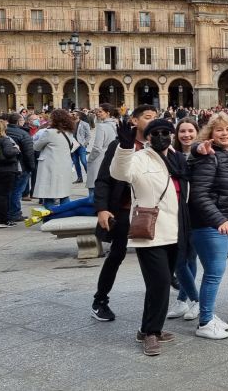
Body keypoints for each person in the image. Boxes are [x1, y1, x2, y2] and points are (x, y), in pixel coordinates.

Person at [109, 118, 188, 356]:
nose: (162, 136)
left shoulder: (178, 158)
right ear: (149, 136)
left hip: (175, 230)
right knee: (161, 283)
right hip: (150, 232)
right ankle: (152, 333)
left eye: (166, 132)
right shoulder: (139, 158)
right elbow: (119, 173)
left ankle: (146, 329)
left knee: (158, 285)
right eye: (156, 133)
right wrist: (124, 147)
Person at [91, 105, 160, 322]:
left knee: (156, 259)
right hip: (124, 211)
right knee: (116, 255)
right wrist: (102, 209)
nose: (152, 121)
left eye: (155, 118)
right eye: (148, 117)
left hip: (150, 212)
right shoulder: (119, 145)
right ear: (135, 120)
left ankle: (166, 298)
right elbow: (103, 179)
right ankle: (100, 300)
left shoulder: (160, 145)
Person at [188, 112, 228, 339]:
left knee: (215, 271)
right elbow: (200, 195)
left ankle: (208, 314)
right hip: (210, 224)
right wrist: (220, 220)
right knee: (214, 272)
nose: (225, 133)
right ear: (210, 133)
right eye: (219, 129)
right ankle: (204, 322)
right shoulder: (208, 156)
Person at [167, 117, 202, 321]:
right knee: (178, 260)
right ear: (176, 134)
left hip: (197, 213)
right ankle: (195, 300)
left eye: (190, 131)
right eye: (182, 131)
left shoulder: (203, 154)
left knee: (190, 257)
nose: (187, 135)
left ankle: (182, 300)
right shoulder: (171, 155)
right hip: (176, 213)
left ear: (197, 132)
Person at [32, 109, 80, 206]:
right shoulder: (69, 132)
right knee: (64, 193)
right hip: (64, 165)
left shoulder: (49, 132)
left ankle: (50, 217)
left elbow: (36, 147)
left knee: (48, 194)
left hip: (50, 166)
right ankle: (64, 216)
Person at [6, 113, 36, 222]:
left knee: (8, 190)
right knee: (17, 190)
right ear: (18, 122)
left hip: (6, 166)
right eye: (22, 120)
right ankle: (15, 213)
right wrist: (31, 167)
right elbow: (29, 153)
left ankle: (6, 212)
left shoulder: (3, 131)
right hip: (21, 166)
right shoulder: (23, 133)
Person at [86, 104, 119, 199]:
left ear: (107, 113)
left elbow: (97, 147)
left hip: (99, 159)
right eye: (98, 111)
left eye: (100, 111)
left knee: (93, 190)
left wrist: (90, 159)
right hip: (111, 158)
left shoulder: (101, 126)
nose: (97, 113)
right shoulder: (116, 124)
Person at [72, 111, 91, 183]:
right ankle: (79, 178)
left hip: (81, 146)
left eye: (74, 114)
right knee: (76, 162)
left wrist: (84, 143)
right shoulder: (70, 123)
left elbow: (88, 135)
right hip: (73, 146)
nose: (72, 115)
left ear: (78, 116)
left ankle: (90, 177)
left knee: (83, 161)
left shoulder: (84, 124)